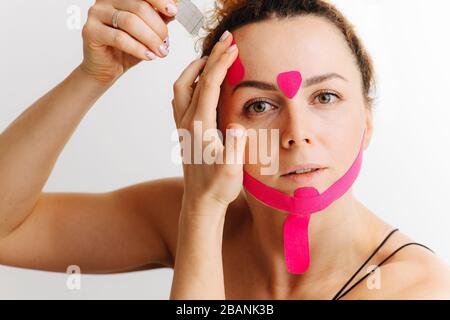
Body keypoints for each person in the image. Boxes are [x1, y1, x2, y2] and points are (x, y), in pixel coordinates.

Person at [0, 0, 449, 300]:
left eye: (325, 97)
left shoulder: (418, 288)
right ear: (212, 125)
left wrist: (201, 209)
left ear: (367, 119)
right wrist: (92, 76)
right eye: (259, 105)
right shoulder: (193, 213)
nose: (296, 133)